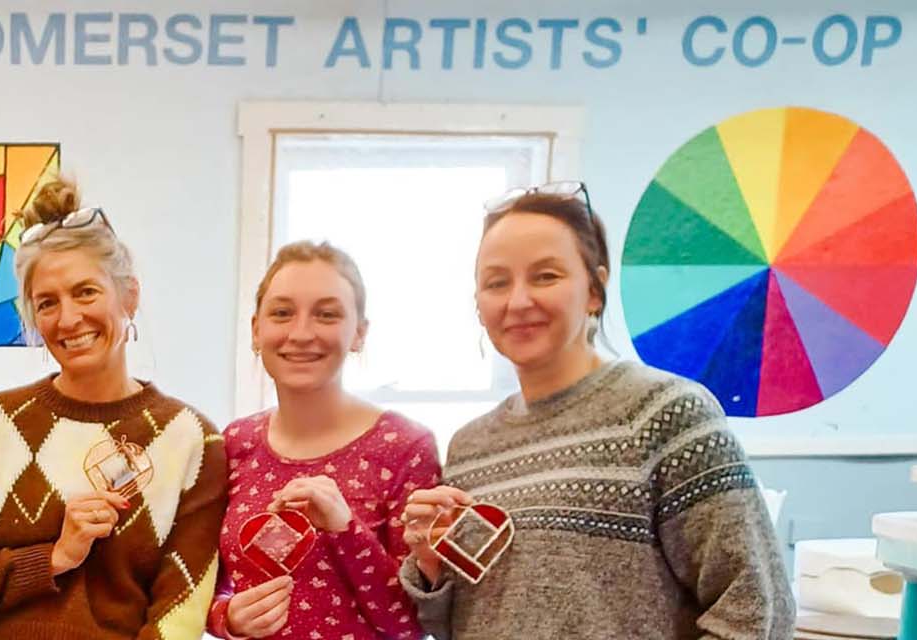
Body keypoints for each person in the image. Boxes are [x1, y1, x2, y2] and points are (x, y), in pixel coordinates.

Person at [399, 182, 794, 638]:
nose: (519, 301)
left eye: (545, 276)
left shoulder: (665, 414)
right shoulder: (470, 446)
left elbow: (756, 610)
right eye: (496, 283)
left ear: (594, 290)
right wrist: (431, 566)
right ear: (478, 304)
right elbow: (461, 624)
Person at [0, 178, 227, 638]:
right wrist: (54, 557)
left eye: (86, 292)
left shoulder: (190, 439)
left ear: (130, 297)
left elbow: (180, 615)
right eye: (47, 303)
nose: (68, 319)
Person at [207, 241, 437, 639]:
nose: (301, 333)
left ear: (359, 333)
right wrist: (226, 619)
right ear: (256, 329)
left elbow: (411, 623)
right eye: (282, 313)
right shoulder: (234, 443)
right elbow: (204, 586)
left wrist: (345, 530)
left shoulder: (404, 446)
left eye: (326, 315)